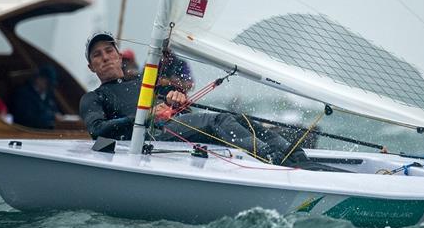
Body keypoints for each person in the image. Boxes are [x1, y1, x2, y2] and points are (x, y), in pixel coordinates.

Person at [79, 31, 308, 166]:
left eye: (109, 51)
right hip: (154, 137)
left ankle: (294, 153)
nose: (105, 57)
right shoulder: (93, 97)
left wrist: (174, 100)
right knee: (218, 121)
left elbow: (173, 107)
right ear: (91, 67)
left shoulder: (143, 83)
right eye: (97, 55)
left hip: (172, 127)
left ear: (119, 56)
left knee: (236, 117)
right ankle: (274, 159)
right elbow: (97, 130)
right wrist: (143, 117)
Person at [11, 64, 61, 129]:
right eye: (47, 83)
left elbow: (54, 110)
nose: (49, 87)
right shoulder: (23, 94)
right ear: (39, 79)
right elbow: (28, 118)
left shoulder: (48, 95)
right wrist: (52, 117)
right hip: (28, 132)